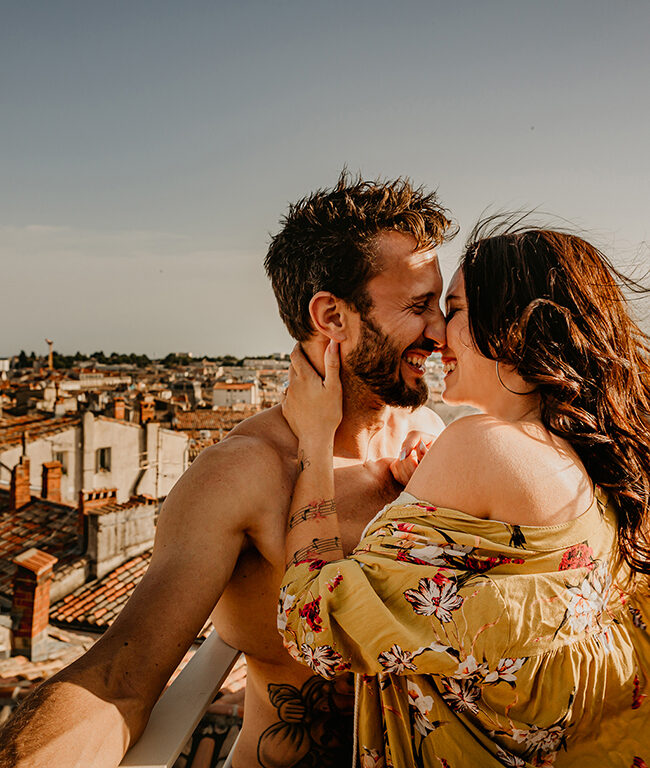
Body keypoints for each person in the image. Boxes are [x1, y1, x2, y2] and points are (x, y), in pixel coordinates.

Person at [0, 174, 455, 768]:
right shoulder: (241, 474)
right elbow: (120, 677)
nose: (441, 332)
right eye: (419, 307)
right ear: (332, 317)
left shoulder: (435, 440)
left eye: (439, 306)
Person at [279, 219, 650, 767]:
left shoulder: (480, 443)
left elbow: (312, 621)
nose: (436, 334)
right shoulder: (591, 448)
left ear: (514, 326)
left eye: (452, 310)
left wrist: (312, 438)